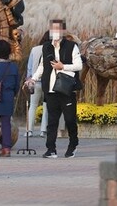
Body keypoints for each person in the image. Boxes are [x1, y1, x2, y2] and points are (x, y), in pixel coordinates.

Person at [28, 18, 82, 159]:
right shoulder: (46, 47)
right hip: (50, 89)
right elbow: (42, 65)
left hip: (66, 89)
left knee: (70, 119)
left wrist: (62, 67)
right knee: (52, 121)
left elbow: (79, 65)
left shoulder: (72, 46)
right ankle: (51, 149)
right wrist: (33, 79)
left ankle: (73, 144)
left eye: (58, 29)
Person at [26, 32, 49, 138]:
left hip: (35, 82)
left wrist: (29, 78)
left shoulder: (34, 49)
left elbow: (29, 66)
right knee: (46, 106)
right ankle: (43, 130)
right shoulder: (52, 49)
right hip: (48, 82)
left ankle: (29, 130)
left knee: (33, 105)